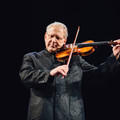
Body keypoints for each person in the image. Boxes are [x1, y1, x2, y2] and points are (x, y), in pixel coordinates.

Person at [19, 22, 120, 120]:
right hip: (42, 115)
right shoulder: (32, 57)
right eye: (51, 36)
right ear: (45, 36)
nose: (53, 40)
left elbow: (98, 75)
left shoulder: (75, 59)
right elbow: (25, 76)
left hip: (71, 116)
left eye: (58, 37)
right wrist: (50, 73)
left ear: (64, 40)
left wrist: (114, 57)